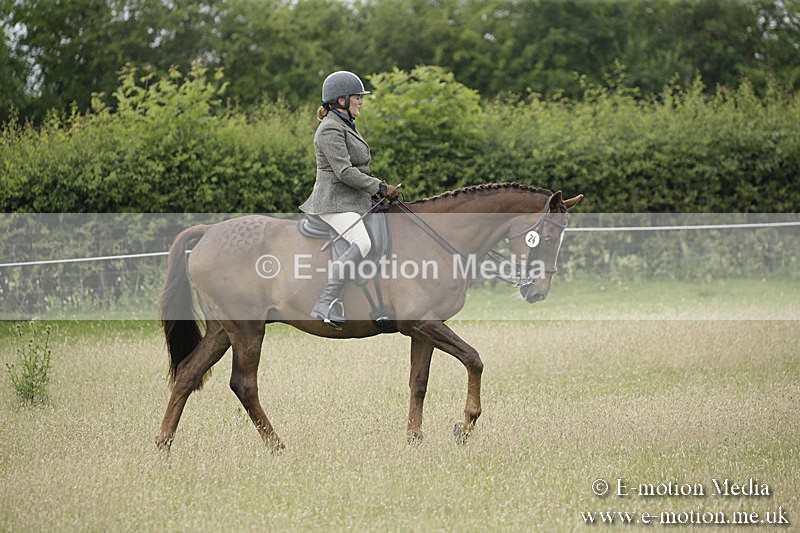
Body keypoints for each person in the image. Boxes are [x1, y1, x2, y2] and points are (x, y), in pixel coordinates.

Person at [299, 70, 399, 328]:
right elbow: (344, 172)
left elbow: (359, 170)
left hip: (352, 200)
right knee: (362, 243)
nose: (361, 101)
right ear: (341, 100)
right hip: (333, 202)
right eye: (357, 97)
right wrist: (379, 185)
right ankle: (326, 300)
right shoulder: (329, 129)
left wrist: (378, 189)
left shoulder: (345, 126)